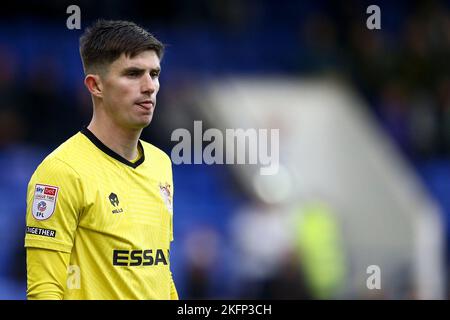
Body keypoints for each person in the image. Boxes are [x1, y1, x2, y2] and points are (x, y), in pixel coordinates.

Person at [24, 20, 178, 300]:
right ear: (96, 85)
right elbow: (45, 290)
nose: (149, 87)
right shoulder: (61, 172)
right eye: (133, 74)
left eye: (154, 74)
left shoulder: (160, 164)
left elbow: (160, 271)